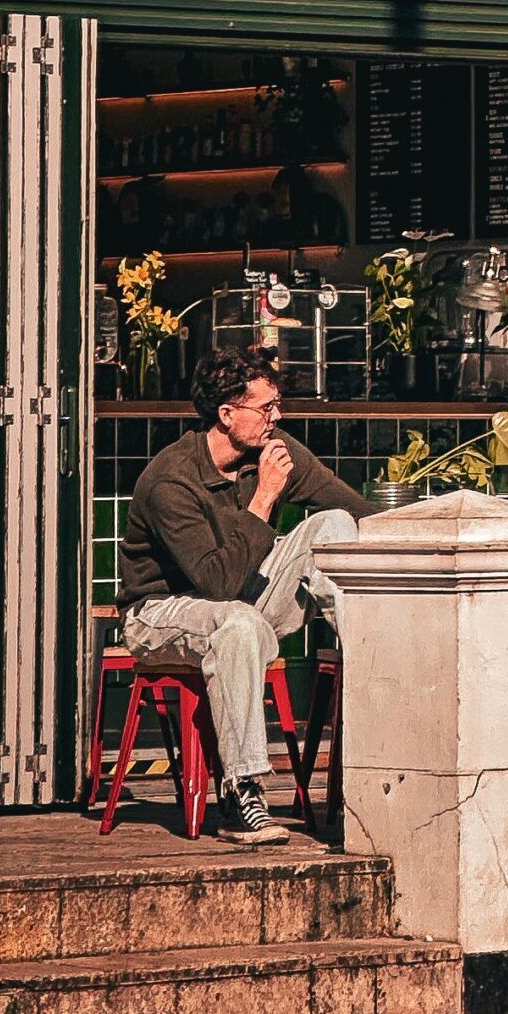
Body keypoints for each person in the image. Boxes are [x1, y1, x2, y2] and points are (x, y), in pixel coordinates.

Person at [117, 348, 372, 845]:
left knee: (336, 527)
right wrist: (264, 499)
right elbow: (216, 584)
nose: (278, 417)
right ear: (227, 414)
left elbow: (354, 508)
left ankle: (370, 669)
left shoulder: (274, 452)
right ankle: (241, 789)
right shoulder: (171, 480)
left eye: (278, 405)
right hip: (161, 613)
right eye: (267, 408)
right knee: (236, 622)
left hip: (241, 601)